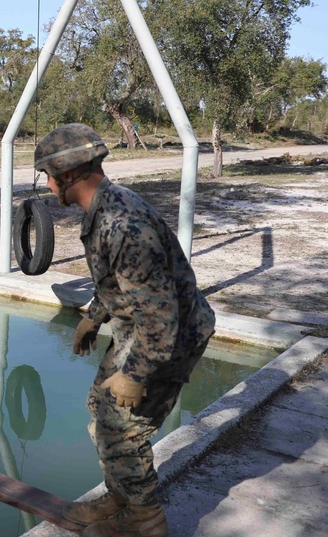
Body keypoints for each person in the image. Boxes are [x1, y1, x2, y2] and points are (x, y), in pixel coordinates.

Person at [34, 124, 215, 537]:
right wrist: (94, 316)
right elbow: (120, 282)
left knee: (123, 425)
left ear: (66, 176)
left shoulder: (121, 223)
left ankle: (146, 522)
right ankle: (120, 497)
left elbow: (161, 317)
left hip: (173, 335)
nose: (46, 186)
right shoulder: (104, 208)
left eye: (47, 175)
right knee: (101, 411)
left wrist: (134, 376)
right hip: (144, 327)